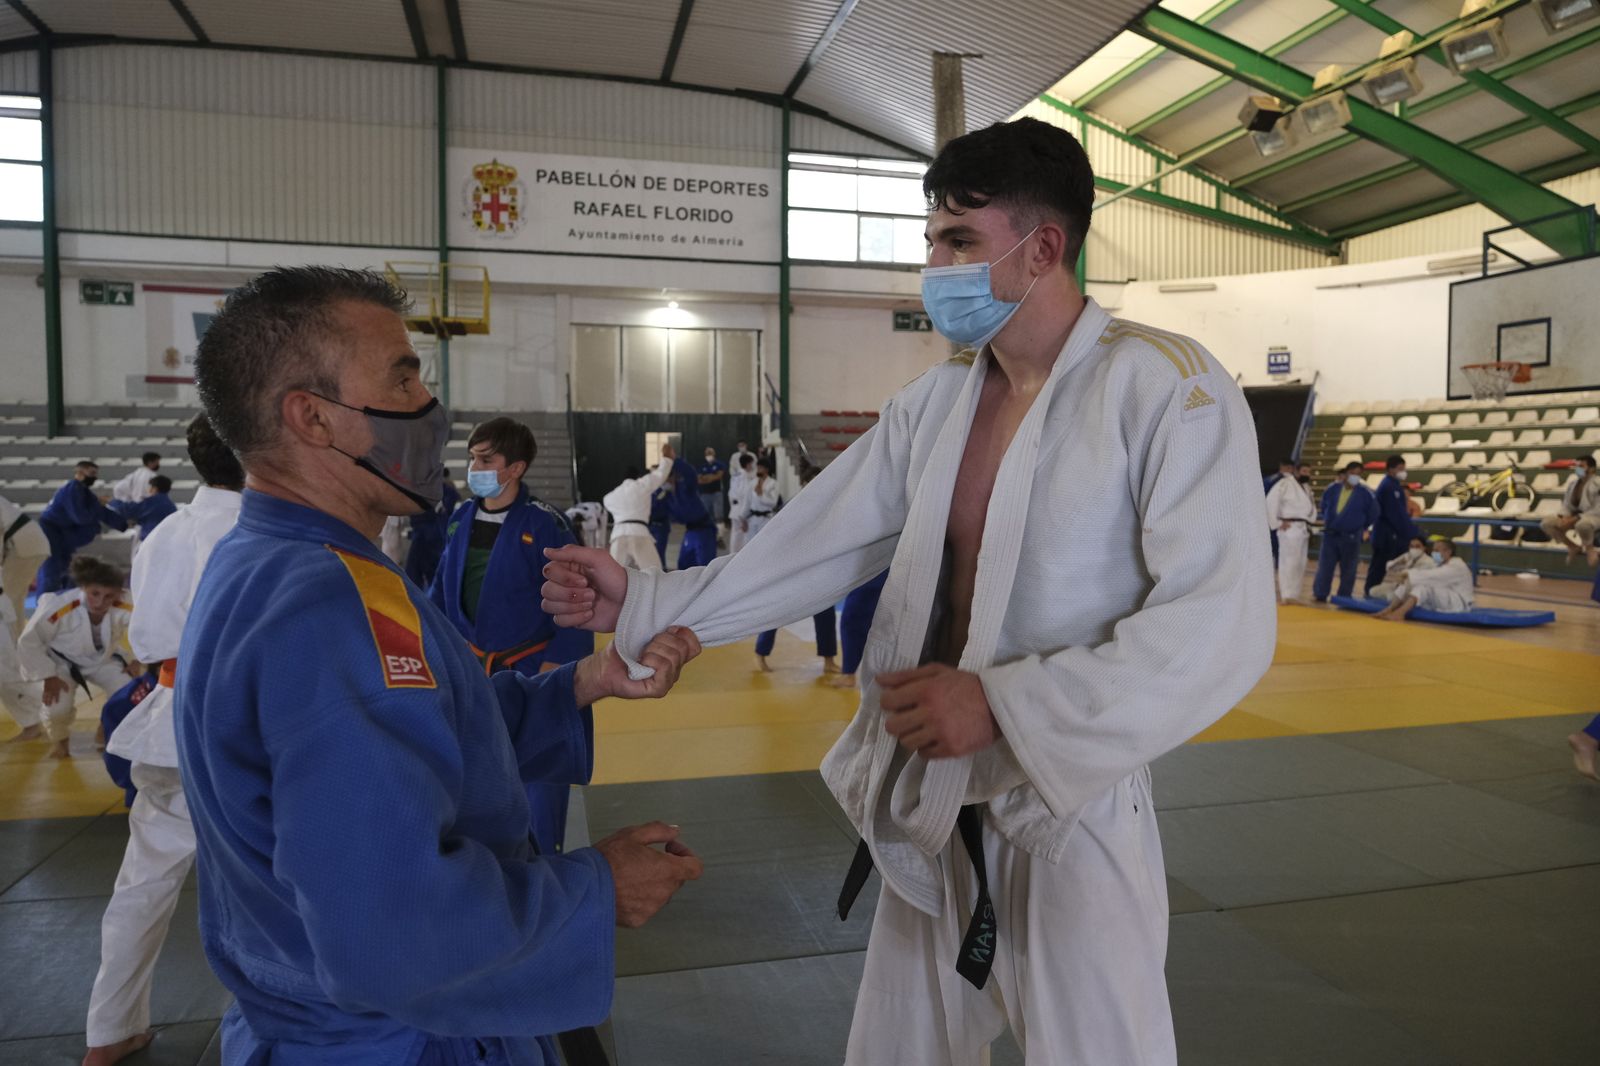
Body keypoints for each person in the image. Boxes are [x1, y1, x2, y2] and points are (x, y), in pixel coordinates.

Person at [542, 117, 1274, 1064]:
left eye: (959, 241)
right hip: (926, 784)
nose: (934, 264)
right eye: (933, 239)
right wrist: (654, 607)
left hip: (1065, 801)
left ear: (1043, 247)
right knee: (893, 1048)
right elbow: (818, 539)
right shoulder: (939, 402)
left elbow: (1223, 623)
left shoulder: (1164, 387)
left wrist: (1006, 707)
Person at [182, 265, 704, 1065]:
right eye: (402, 376)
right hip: (394, 1039)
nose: (429, 406)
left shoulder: (286, 560)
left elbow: (423, 730)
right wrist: (594, 889)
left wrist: (581, 683)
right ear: (313, 418)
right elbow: (390, 924)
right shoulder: (326, 609)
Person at [82, 414, 245, 1066]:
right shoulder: (260, 531)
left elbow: (145, 641)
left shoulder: (163, 533)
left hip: (171, 714)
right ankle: (288, 1028)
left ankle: (110, 1028)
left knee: (143, 883)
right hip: (242, 721)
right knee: (283, 883)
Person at [430, 416, 595, 853]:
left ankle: (547, 871)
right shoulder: (461, 516)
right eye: (472, 458)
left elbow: (576, 597)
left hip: (530, 667)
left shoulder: (545, 523)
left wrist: (556, 667)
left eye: (486, 459)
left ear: (516, 468)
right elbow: (442, 589)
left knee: (537, 773)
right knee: (476, 771)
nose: (475, 467)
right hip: (471, 665)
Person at [17, 555, 140, 759]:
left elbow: (146, 629)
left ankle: (105, 726)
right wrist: (48, 676)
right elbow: (29, 640)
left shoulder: (126, 603)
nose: (100, 602)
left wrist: (137, 660)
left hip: (105, 659)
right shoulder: (59, 605)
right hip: (61, 664)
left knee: (129, 692)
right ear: (83, 587)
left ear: (119, 593)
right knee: (56, 707)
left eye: (109, 596)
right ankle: (60, 742)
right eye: (95, 593)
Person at [753, 468, 838, 675]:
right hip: (790, 568)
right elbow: (778, 538)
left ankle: (828, 659)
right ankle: (760, 653)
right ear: (804, 483)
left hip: (816, 569)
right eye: (813, 480)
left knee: (825, 613)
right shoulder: (793, 505)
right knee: (776, 611)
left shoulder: (829, 507)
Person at [36, 461, 129, 593]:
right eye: (91, 473)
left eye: (95, 474)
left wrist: (124, 523)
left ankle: (63, 601)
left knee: (65, 568)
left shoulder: (84, 492)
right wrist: (98, 503)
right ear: (79, 473)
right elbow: (80, 517)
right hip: (51, 530)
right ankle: (44, 605)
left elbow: (102, 512)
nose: (94, 477)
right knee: (51, 569)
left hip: (63, 533)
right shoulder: (71, 489)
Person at [603, 444, 675, 571]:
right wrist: (667, 457)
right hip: (639, 533)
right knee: (654, 573)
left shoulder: (610, 497)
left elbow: (606, 503)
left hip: (618, 535)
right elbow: (660, 474)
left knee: (613, 574)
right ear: (637, 476)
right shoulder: (642, 485)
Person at [1313, 462, 1378, 603]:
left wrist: (1363, 527)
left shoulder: (1365, 493)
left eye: (1358, 474)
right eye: (1353, 473)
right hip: (1331, 534)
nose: (1355, 476)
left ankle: (1344, 596)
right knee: (1325, 566)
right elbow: (1324, 507)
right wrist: (1329, 520)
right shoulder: (1332, 489)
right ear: (1346, 473)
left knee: (1348, 569)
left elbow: (1374, 513)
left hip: (1351, 536)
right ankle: (1320, 593)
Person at [1373, 535, 1472, 620]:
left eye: (1437, 550)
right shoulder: (1439, 564)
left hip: (1458, 602)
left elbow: (1435, 576)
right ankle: (1389, 609)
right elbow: (1427, 575)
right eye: (1433, 550)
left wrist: (1408, 574)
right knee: (1411, 583)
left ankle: (1400, 613)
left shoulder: (1457, 566)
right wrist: (1407, 576)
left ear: (1448, 552)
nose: (1434, 553)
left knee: (1422, 587)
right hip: (1444, 597)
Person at [1365, 455, 1421, 595]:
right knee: (1379, 566)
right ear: (1391, 469)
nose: (1403, 472)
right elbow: (1395, 514)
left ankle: (1394, 592)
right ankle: (1370, 591)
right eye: (1400, 469)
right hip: (1387, 535)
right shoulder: (1388, 487)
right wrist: (1412, 532)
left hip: (1393, 534)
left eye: (1404, 469)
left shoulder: (1394, 485)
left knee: (1392, 566)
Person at [1265, 463, 1316, 605]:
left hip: (1303, 527)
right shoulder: (1284, 484)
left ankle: (1294, 595)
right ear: (1296, 472)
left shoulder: (1306, 488)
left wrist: (1311, 520)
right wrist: (1276, 523)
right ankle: (1286, 595)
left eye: (1309, 472)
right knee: (1288, 562)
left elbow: (1311, 507)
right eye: (1304, 471)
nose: (1307, 474)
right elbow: (1270, 502)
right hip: (1289, 527)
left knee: (1300, 563)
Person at [831, 570, 890, 689]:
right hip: (881, 567)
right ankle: (851, 671)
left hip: (874, 569)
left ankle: (849, 673)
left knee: (853, 617)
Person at [1539, 454, 1599, 567]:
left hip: (1595, 517)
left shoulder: (1598, 484)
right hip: (1574, 517)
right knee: (1547, 523)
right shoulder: (1573, 484)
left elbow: (1598, 508)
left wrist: (1576, 518)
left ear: (1592, 469)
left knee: (1582, 524)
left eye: (1581, 466)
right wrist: (1563, 516)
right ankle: (1572, 546)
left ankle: (1589, 549)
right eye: (1576, 466)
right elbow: (1567, 504)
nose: (1578, 468)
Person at [404, 467, 459, 589]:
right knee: (434, 572)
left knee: (419, 571)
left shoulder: (437, 490)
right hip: (436, 533)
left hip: (428, 533)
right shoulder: (445, 490)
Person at [3, 490, 49, 624]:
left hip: (24, 546)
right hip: (27, 544)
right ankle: (17, 639)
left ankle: (12, 640)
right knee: (14, 599)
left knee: (7, 598)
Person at [665, 456, 719, 569]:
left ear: (673, 477)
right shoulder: (668, 497)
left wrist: (674, 460)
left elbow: (690, 474)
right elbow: (673, 516)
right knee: (683, 564)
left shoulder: (686, 487)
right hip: (690, 531)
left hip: (705, 530)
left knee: (705, 566)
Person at [109, 475, 177, 543]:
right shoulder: (171, 506)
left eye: (151, 487)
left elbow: (128, 510)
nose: (150, 490)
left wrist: (111, 501)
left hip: (151, 540)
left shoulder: (152, 502)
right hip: (166, 540)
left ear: (155, 488)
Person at [1367, 535, 1434, 602]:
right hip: (1398, 586)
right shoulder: (1407, 556)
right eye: (1411, 546)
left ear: (1424, 548)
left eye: (1417, 546)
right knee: (1373, 591)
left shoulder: (1428, 562)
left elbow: (1412, 576)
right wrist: (1398, 563)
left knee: (1391, 597)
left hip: (1414, 590)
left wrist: (1402, 572)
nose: (1414, 549)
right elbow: (1389, 567)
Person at [733, 456, 780, 543]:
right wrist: (743, 518)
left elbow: (773, 503)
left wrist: (760, 495)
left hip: (766, 519)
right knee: (750, 544)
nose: (758, 470)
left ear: (767, 469)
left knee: (765, 544)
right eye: (757, 467)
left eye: (761, 468)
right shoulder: (752, 483)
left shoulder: (773, 483)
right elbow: (747, 502)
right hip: (752, 519)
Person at [1263, 457, 1295, 566]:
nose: (1290, 471)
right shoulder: (1280, 481)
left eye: (1291, 468)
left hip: (1270, 518)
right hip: (1273, 518)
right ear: (1282, 467)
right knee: (1275, 548)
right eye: (1288, 468)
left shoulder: (1268, 479)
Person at [727, 452, 757, 554]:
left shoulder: (736, 475)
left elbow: (730, 493)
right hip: (741, 508)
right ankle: (739, 557)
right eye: (751, 464)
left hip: (735, 508)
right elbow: (743, 494)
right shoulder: (744, 476)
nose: (752, 466)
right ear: (748, 464)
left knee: (735, 535)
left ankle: (733, 556)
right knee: (742, 535)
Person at [697, 446, 727, 524]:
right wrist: (710, 477)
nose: (709, 455)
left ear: (714, 454)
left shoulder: (719, 464)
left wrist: (706, 477)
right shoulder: (702, 466)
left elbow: (718, 476)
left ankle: (720, 531)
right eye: (707, 454)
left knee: (718, 514)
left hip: (717, 492)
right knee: (705, 513)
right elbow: (699, 480)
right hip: (705, 493)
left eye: (710, 453)